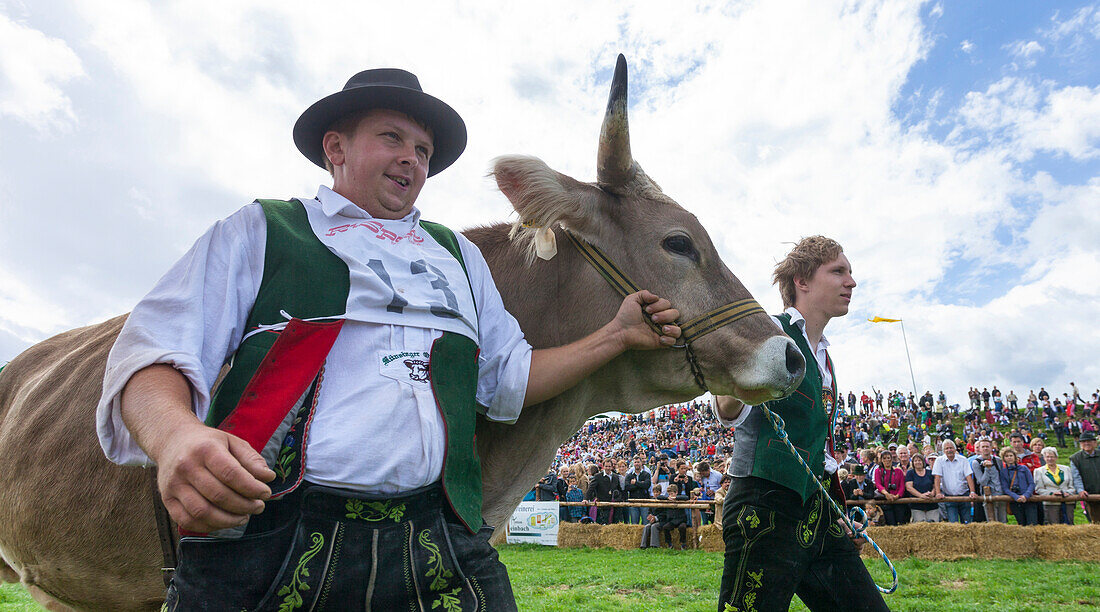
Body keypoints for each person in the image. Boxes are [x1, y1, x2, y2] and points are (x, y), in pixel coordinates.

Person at [96, 69, 684, 610]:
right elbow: (154, 350)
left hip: (436, 537)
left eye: (423, 150)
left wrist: (614, 336)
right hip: (274, 533)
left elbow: (508, 381)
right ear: (336, 148)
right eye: (392, 138)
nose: (412, 160)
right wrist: (175, 436)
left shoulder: (459, 257)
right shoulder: (262, 230)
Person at [713, 236, 888, 611]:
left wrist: (836, 512)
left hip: (819, 512)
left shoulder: (825, 356)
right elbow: (728, 410)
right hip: (765, 504)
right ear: (802, 281)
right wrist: (735, 373)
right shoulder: (768, 332)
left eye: (850, 272)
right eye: (838, 271)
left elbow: (817, 447)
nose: (851, 282)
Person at [932, 440, 979, 524]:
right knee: (953, 524)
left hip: (964, 496)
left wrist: (972, 492)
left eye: (951, 448)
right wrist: (938, 493)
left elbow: (969, 476)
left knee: (967, 523)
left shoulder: (963, 459)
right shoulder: (939, 461)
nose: (949, 450)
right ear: (943, 451)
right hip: (949, 497)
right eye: (946, 448)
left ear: (955, 449)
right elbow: (937, 477)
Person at [1033, 447, 1076, 525]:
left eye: (1052, 456)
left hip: (1067, 501)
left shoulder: (1066, 469)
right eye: (1047, 457)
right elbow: (1039, 489)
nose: (1050, 459)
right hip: (1051, 503)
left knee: (1069, 525)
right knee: (1053, 526)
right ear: (1044, 458)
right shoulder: (1039, 471)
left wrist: (1067, 493)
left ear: (1056, 457)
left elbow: (1072, 486)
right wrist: (1051, 494)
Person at [970, 438, 1007, 523]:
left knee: (1003, 520)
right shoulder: (976, 462)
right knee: (992, 521)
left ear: (991, 448)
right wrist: (987, 468)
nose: (985, 448)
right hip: (987, 494)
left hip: (1000, 493)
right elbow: (982, 482)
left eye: (987, 446)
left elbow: (1002, 477)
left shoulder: (998, 460)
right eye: (983, 447)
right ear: (979, 448)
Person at [999, 448, 1037, 526]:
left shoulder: (1024, 468)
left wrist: (1026, 495)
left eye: (1011, 455)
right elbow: (1005, 488)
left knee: (1032, 523)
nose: (1009, 457)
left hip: (1028, 499)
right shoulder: (1003, 471)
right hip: (1015, 500)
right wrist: (1016, 497)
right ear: (1003, 458)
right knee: (1021, 523)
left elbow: (1031, 483)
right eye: (1006, 456)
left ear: (1015, 456)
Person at [1069, 432, 1100, 524]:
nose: (1086, 443)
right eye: (1083, 442)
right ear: (1080, 444)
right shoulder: (1075, 458)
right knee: (1096, 522)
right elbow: (1076, 476)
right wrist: (1080, 490)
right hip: (1090, 496)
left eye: (1089, 441)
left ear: (1095, 443)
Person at [872, 450, 905, 526]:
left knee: (900, 522)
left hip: (898, 500)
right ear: (881, 460)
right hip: (885, 499)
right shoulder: (878, 471)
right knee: (890, 523)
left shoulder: (898, 471)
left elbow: (902, 486)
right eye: (884, 458)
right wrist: (886, 494)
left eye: (888, 458)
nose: (887, 460)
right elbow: (878, 484)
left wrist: (897, 496)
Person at [905, 454, 938, 522]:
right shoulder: (910, 473)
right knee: (920, 527)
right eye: (915, 461)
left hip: (931, 504)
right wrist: (921, 496)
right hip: (917, 505)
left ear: (923, 462)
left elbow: (935, 485)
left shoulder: (930, 472)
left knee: (934, 526)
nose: (918, 462)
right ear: (913, 463)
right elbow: (909, 487)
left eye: (919, 460)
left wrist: (932, 493)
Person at [624, 457, 653, 525]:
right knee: (634, 524)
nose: (637, 464)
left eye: (638, 462)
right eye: (635, 462)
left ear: (641, 463)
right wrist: (641, 484)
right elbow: (627, 487)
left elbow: (647, 485)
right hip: (633, 501)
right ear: (633, 463)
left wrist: (636, 483)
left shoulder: (646, 474)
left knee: (646, 523)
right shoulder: (629, 475)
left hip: (644, 501)